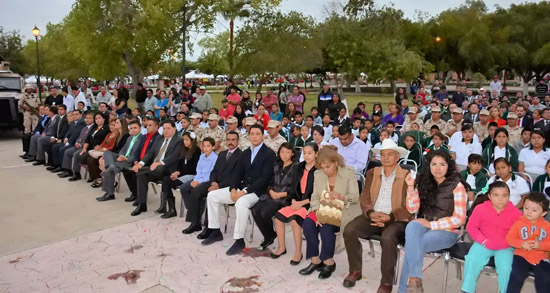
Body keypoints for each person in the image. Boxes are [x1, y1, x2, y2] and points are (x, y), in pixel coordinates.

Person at [343, 139, 412, 292]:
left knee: (388, 238)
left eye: (390, 154)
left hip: (396, 219)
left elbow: (409, 206)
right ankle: (355, 270)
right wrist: (371, 213)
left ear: (397, 157)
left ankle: (386, 282)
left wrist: (390, 217)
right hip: (373, 215)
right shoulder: (372, 173)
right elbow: (365, 197)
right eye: (383, 154)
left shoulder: (407, 176)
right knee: (350, 230)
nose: (386, 158)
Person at [201, 125, 277, 255]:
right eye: (252, 134)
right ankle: (215, 231)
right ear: (249, 136)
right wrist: (233, 189)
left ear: (263, 136)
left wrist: (244, 192)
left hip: (258, 191)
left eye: (257, 134)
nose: (254, 136)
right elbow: (237, 173)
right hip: (241, 188)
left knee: (241, 202)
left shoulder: (269, 154)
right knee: (213, 195)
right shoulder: (246, 153)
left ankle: (239, 239)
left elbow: (264, 178)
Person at [399, 150, 468, 293]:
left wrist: (432, 225)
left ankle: (408, 286)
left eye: (442, 164)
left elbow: (459, 219)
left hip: (447, 231)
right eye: (434, 164)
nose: (437, 168)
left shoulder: (457, 185)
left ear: (448, 166)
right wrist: (411, 187)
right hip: (423, 227)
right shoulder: (424, 182)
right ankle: (415, 281)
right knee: (412, 226)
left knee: (412, 248)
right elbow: (412, 209)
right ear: (428, 166)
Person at [299, 146, 359, 279]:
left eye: (328, 166)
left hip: (343, 210)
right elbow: (314, 197)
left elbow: (355, 196)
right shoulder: (318, 173)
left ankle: (329, 262)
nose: (325, 170)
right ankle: (315, 260)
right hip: (322, 208)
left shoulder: (348, 172)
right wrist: (316, 210)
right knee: (308, 224)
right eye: (322, 167)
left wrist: (341, 196)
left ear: (336, 162)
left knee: (326, 227)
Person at [461, 181, 522, 293]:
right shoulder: (480, 209)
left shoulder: (516, 213)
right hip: (484, 243)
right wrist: (483, 241)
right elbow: (471, 227)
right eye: (496, 195)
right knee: (472, 260)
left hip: (505, 246)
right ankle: (468, 289)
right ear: (489, 196)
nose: (500, 199)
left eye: (505, 195)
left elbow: (519, 233)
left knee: (506, 268)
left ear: (509, 196)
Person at [182, 132, 243, 237]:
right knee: (195, 191)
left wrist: (218, 186)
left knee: (210, 196)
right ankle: (195, 223)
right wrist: (214, 182)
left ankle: (208, 227)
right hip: (214, 182)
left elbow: (236, 176)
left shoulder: (241, 155)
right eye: (228, 140)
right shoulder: (223, 154)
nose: (230, 142)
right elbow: (214, 171)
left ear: (238, 141)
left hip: (227, 186)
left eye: (233, 140)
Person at [272, 142, 318, 264]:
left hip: (310, 203)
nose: (307, 156)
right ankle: (282, 247)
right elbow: (293, 187)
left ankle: (298, 252)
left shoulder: (319, 170)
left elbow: (318, 193)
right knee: (278, 217)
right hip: (296, 200)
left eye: (310, 153)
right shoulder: (299, 167)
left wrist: (301, 203)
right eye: (305, 153)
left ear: (316, 154)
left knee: (294, 221)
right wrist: (293, 200)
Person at [251, 143, 298, 250]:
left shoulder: (296, 168)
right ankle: (270, 235)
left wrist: (280, 194)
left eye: (287, 152)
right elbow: (270, 182)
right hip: (272, 195)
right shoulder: (276, 166)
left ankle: (269, 236)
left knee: (264, 212)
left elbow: (296, 188)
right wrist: (271, 191)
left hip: (285, 198)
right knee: (254, 210)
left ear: (292, 154)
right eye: (282, 152)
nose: (284, 155)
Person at [130, 120, 183, 216]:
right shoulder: (159, 139)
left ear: (174, 129)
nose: (166, 131)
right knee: (141, 174)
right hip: (154, 169)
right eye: (164, 129)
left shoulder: (178, 140)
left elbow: (174, 156)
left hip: (167, 168)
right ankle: (142, 204)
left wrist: (159, 163)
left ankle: (144, 171)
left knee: (154, 169)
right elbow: (150, 153)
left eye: (168, 128)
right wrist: (141, 163)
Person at [506, 192, 550, 293]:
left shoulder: (547, 226)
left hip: (541, 258)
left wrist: (540, 245)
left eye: (534, 210)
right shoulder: (519, 223)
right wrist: (522, 243)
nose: (529, 212)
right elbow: (509, 238)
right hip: (521, 256)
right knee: (516, 275)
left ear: (543, 213)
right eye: (526, 208)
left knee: (546, 278)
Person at [156, 131, 201, 218]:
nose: (184, 142)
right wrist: (177, 172)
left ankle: (171, 209)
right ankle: (170, 207)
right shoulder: (184, 149)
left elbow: (194, 168)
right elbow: (179, 163)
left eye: (187, 140)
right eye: (184, 139)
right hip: (182, 174)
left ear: (192, 140)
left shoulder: (197, 151)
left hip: (191, 175)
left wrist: (180, 174)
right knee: (166, 179)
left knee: (168, 182)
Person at [96, 120, 143, 201]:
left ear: (140, 128)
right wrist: (121, 155)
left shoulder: (142, 139)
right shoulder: (129, 138)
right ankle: (111, 166)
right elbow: (123, 149)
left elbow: (139, 154)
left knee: (110, 171)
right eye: (131, 128)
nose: (133, 130)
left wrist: (126, 158)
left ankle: (109, 193)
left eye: (135, 128)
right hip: (122, 158)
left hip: (130, 161)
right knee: (107, 153)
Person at [177, 137, 218, 223]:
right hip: (198, 178)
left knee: (195, 190)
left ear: (213, 147)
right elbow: (198, 170)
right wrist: (195, 180)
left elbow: (211, 174)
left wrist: (199, 182)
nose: (205, 148)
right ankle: (192, 209)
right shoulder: (202, 156)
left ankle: (195, 214)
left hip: (207, 181)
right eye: (204, 146)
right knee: (183, 188)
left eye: (208, 146)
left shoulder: (215, 158)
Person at [88, 118, 129, 185]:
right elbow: (114, 148)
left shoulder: (126, 135)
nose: (115, 124)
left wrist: (108, 152)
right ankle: (107, 180)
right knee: (101, 159)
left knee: (103, 160)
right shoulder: (118, 135)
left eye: (117, 123)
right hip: (114, 153)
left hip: (120, 155)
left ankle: (110, 181)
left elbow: (122, 149)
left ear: (122, 125)